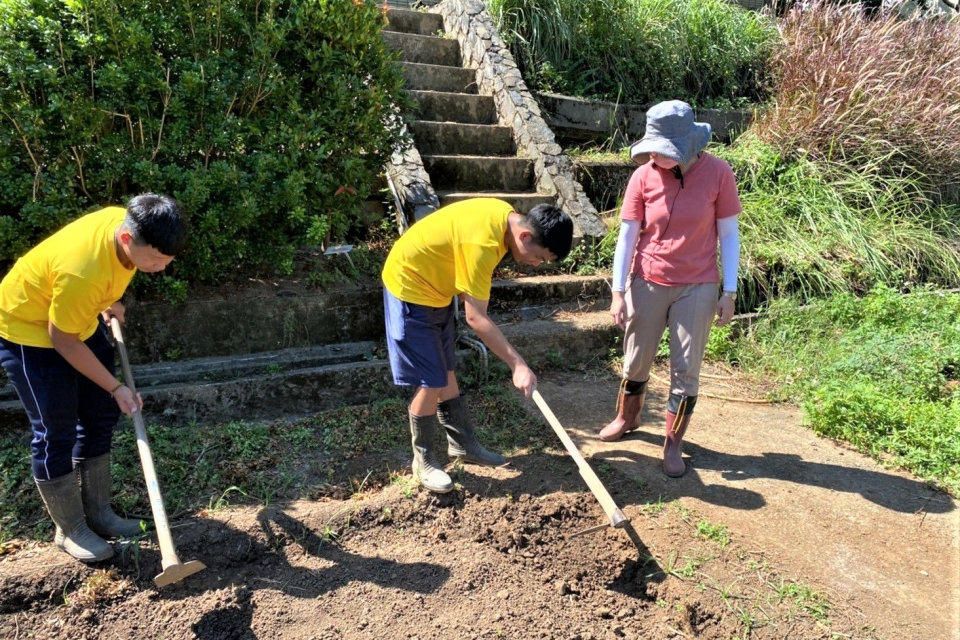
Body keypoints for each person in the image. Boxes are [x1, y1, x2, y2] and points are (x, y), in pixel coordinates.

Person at [0, 194, 189, 561]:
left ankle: (100, 513)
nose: (161, 268)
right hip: (29, 331)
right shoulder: (82, 271)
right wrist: (115, 386)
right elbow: (61, 339)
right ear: (126, 240)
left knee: (100, 414)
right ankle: (70, 529)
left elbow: (105, 278)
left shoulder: (127, 225)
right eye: (154, 260)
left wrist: (110, 301)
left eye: (168, 261)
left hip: (75, 319)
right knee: (56, 430)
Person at [381, 198, 573, 493]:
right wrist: (517, 364)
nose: (537, 265)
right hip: (410, 288)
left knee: (446, 369)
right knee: (431, 380)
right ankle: (424, 460)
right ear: (525, 235)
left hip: (436, 288)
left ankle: (463, 444)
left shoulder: (503, 217)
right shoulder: (482, 245)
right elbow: (476, 317)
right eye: (539, 257)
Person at [599, 100, 741, 477]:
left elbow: (728, 234)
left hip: (698, 285)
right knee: (635, 359)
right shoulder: (642, 177)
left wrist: (730, 291)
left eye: (662, 150)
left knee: (686, 369)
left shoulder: (718, 174)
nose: (653, 156)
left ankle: (673, 443)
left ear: (686, 148)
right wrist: (617, 290)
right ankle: (627, 418)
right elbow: (627, 237)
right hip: (646, 280)